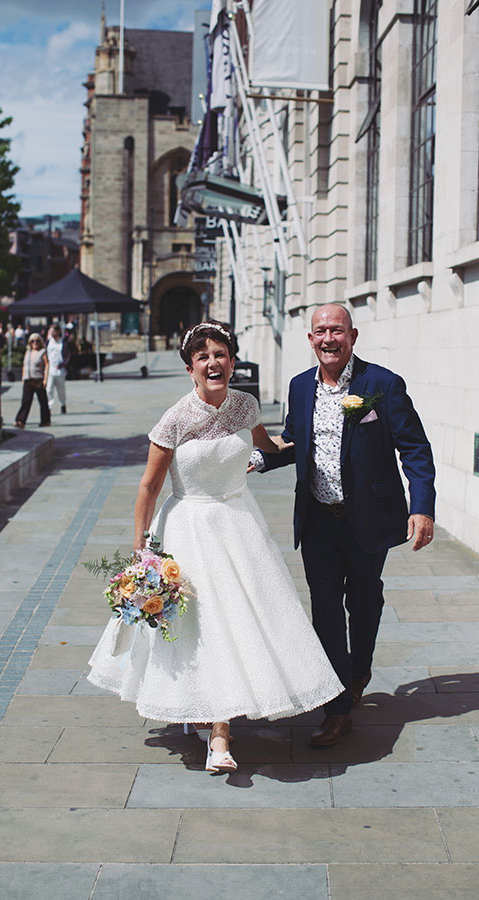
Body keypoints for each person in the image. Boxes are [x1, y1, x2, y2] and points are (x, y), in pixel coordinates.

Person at [87, 320, 344, 772]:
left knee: (245, 621)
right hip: (188, 526)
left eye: (220, 354)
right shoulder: (175, 418)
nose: (213, 363)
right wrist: (141, 549)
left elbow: (269, 447)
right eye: (203, 356)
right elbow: (148, 488)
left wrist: (327, 434)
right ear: (190, 368)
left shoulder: (245, 405)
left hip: (240, 524)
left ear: (231, 361)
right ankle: (218, 733)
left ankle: (223, 721)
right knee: (203, 627)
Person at [250, 303, 436, 746]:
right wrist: (256, 459)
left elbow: (415, 449)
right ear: (310, 339)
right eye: (320, 332)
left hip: (368, 519)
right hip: (318, 519)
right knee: (326, 611)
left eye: (336, 330)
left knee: (365, 602)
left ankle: (358, 672)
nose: (328, 339)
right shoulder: (299, 387)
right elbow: (295, 441)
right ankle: (337, 707)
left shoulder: (382, 385)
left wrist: (422, 507)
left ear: (353, 336)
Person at [14, 333, 50, 428]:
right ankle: (20, 420)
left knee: (43, 401)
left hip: (38, 379)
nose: (35, 343)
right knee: (26, 400)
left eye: (37, 341)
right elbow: (25, 365)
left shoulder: (42, 352)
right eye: (33, 341)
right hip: (28, 379)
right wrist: (23, 376)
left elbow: (47, 365)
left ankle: (45, 420)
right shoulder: (28, 352)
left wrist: (45, 379)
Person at [46, 323, 70, 414]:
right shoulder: (48, 342)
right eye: (51, 331)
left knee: (61, 389)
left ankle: (62, 404)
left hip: (60, 369)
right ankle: (49, 406)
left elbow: (67, 356)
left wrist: (62, 364)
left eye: (54, 331)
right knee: (49, 388)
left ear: (58, 331)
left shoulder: (63, 343)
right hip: (50, 369)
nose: (52, 333)